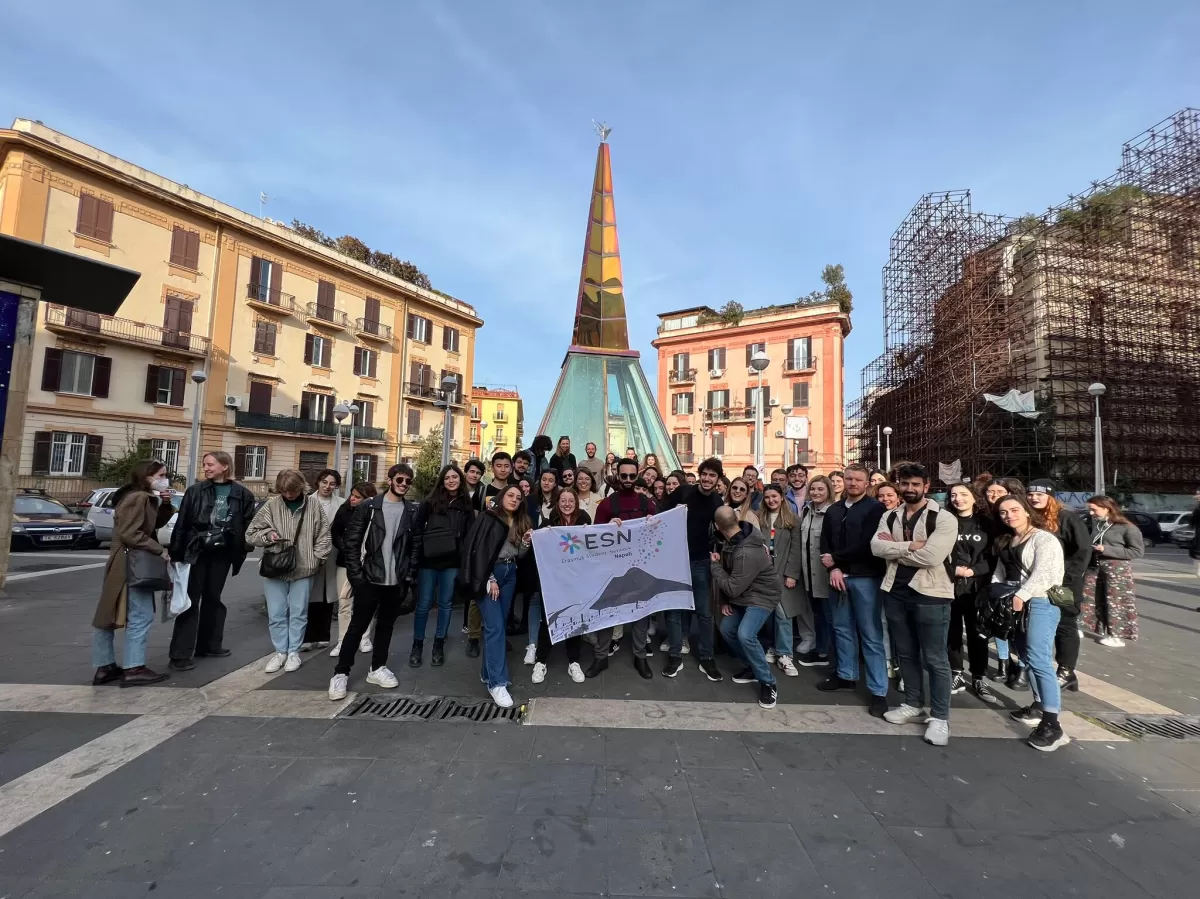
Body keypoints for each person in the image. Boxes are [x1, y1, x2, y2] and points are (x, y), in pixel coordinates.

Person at [870, 462, 958, 745]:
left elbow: (932, 557)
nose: (909, 489)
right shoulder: (892, 516)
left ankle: (941, 718)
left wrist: (894, 550)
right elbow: (876, 547)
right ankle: (913, 703)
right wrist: (910, 547)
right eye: (905, 484)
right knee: (905, 653)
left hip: (931, 593)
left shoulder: (943, 519)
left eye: (915, 484)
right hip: (896, 590)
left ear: (926, 486)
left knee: (935, 658)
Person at [328, 464, 416, 700]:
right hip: (369, 578)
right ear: (390, 480)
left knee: (386, 627)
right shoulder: (370, 506)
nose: (404, 485)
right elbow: (351, 543)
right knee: (357, 627)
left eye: (408, 481)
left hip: (395, 581)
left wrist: (408, 575)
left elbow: (414, 546)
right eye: (400, 480)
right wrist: (357, 578)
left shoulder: (411, 511)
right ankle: (341, 674)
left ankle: (377, 668)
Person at [994, 495, 1070, 752]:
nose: (1009, 515)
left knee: (1038, 660)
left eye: (1015, 510)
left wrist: (1021, 595)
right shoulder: (1008, 540)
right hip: (1013, 602)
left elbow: (1045, 573)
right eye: (1003, 512)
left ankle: (1053, 724)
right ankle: (1039, 705)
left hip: (1040, 602)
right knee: (1024, 655)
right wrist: (997, 592)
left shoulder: (1043, 538)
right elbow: (1000, 571)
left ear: (1027, 511)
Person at [168, 451, 256, 671]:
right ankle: (180, 654)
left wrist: (243, 548)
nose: (206, 468)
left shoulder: (243, 494)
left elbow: (248, 525)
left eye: (210, 464)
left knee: (213, 599)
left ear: (225, 466)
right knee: (190, 600)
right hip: (197, 551)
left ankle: (210, 644)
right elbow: (183, 523)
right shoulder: (195, 491)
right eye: (204, 464)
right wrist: (176, 553)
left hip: (223, 554)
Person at [92, 460, 175, 687]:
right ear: (147, 476)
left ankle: (105, 666)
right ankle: (134, 667)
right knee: (141, 614)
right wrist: (160, 550)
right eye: (161, 475)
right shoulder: (138, 497)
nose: (164, 479)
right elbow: (131, 533)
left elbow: (149, 524)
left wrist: (165, 505)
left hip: (122, 562)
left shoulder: (136, 497)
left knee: (108, 614)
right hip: (132, 563)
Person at [817, 463, 889, 717]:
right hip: (838, 577)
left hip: (865, 577)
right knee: (842, 628)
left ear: (867, 483)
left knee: (870, 633)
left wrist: (835, 559)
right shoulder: (834, 510)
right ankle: (846, 675)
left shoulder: (875, 509)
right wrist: (833, 568)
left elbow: (867, 544)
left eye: (858, 480)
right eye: (849, 479)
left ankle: (879, 690)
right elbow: (824, 541)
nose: (853, 483)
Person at [247, 469, 333, 673]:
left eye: (292, 491)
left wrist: (317, 558)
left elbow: (324, 534)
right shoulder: (271, 505)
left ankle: (293, 651)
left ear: (301, 487)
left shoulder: (313, 505)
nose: (289, 495)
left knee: (299, 612)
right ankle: (280, 652)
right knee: (276, 613)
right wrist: (268, 536)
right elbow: (250, 534)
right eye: (285, 491)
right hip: (275, 567)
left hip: (304, 568)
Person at [460, 484, 532, 707]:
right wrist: (489, 578)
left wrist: (526, 542)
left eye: (518, 497)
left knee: (497, 626)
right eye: (510, 495)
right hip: (489, 576)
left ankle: (487, 673)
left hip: (510, 573)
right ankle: (497, 683)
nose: (514, 499)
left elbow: (518, 554)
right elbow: (477, 550)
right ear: (501, 497)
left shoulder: (520, 522)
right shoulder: (488, 518)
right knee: (496, 627)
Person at [586, 457, 659, 679]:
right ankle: (601, 657)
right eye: (624, 475)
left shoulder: (649, 505)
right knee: (608, 613)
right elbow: (595, 536)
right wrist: (607, 528)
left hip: (640, 569)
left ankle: (640, 657)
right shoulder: (608, 504)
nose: (628, 479)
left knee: (640, 614)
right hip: (613, 569)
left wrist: (653, 523)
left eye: (632, 475)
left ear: (637, 475)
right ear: (617, 475)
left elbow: (659, 538)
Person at [660, 457, 726, 680]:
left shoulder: (717, 501)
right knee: (674, 611)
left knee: (704, 613)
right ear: (699, 475)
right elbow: (661, 516)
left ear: (718, 479)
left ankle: (707, 657)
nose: (707, 479)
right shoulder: (683, 491)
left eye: (712, 475)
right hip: (675, 560)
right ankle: (675, 655)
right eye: (704, 474)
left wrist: (716, 547)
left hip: (700, 561)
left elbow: (722, 531)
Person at [1024, 479, 1090, 691]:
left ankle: (1066, 671)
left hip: (1062, 584)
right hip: (1035, 582)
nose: (1034, 498)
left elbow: (1082, 550)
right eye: (1031, 494)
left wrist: (1067, 577)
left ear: (1050, 497)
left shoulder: (1066, 518)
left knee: (1065, 624)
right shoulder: (1030, 518)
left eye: (1040, 495)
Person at [712, 506, 780, 709]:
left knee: (745, 634)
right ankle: (753, 665)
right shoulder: (733, 538)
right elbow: (732, 577)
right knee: (727, 629)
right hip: (744, 595)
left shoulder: (746, 551)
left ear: (717, 525)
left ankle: (768, 682)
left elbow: (732, 586)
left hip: (761, 597)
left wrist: (713, 566)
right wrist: (725, 601)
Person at [409, 465, 472, 668]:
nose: (451, 481)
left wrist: (464, 560)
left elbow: (470, 535)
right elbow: (417, 530)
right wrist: (415, 561)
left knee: (445, 604)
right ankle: (417, 645)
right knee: (424, 604)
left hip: (452, 562)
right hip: (428, 561)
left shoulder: (465, 505)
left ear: (460, 479)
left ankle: (438, 644)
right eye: (447, 478)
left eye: (455, 477)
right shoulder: (429, 502)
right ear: (442, 481)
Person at [945, 483, 998, 703]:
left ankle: (979, 677)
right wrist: (953, 569)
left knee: (978, 634)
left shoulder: (987, 524)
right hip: (950, 584)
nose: (958, 499)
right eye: (954, 495)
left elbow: (995, 557)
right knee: (952, 632)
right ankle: (956, 673)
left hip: (978, 587)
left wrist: (973, 570)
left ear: (974, 498)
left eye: (963, 494)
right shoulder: (945, 520)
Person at [531, 488, 590, 685]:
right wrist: (536, 536)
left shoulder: (585, 522)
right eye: (563, 500)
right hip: (553, 582)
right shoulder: (549, 525)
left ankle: (573, 661)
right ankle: (541, 661)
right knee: (548, 620)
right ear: (557, 503)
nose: (566, 504)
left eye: (570, 500)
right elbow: (538, 551)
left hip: (577, 581)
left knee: (574, 619)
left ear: (576, 503)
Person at [758, 484, 808, 677]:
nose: (771, 500)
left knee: (783, 613)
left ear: (781, 497)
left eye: (774, 496)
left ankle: (785, 654)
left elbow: (796, 549)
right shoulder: (759, 517)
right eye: (767, 497)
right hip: (763, 574)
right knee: (766, 613)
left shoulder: (792, 520)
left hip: (782, 573)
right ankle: (772, 646)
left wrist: (791, 574)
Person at [1083, 495, 1145, 647]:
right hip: (1096, 567)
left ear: (1107, 508)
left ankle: (1117, 636)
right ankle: (1088, 627)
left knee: (1116, 602)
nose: (1091, 513)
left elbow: (1137, 552)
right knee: (1090, 598)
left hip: (1117, 571)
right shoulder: (1098, 525)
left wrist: (1106, 549)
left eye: (1094, 510)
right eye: (1089, 510)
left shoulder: (1127, 527)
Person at [329, 481, 377, 657]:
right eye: (352, 495)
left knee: (366, 602)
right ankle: (343, 640)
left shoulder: (375, 513)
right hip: (345, 563)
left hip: (367, 564)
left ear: (367, 499)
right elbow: (335, 533)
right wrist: (347, 548)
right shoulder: (344, 510)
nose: (352, 499)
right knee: (344, 602)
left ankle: (364, 637)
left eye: (357, 497)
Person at [301, 469, 344, 651]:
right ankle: (307, 637)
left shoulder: (341, 504)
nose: (327, 486)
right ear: (318, 482)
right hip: (309, 552)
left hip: (333, 553)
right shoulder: (306, 501)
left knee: (328, 596)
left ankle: (324, 635)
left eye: (332, 484)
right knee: (310, 596)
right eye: (324, 482)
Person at [798, 475, 834, 667]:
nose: (816, 493)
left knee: (829, 617)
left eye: (820, 489)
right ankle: (821, 652)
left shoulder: (833, 513)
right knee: (818, 614)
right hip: (809, 574)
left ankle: (829, 654)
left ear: (828, 490)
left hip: (825, 575)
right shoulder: (806, 511)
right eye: (813, 489)